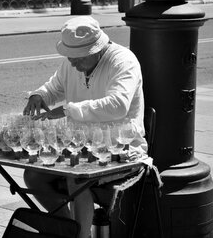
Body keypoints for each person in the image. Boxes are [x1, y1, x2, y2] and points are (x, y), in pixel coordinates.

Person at [22, 16, 147, 238]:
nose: (72, 63)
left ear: (96, 51)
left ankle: (80, 235)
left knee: (75, 176)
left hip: (120, 147)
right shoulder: (76, 60)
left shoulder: (123, 61)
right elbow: (55, 87)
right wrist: (39, 95)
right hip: (82, 143)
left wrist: (69, 110)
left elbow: (118, 105)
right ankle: (69, 230)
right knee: (33, 177)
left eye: (77, 59)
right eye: (70, 57)